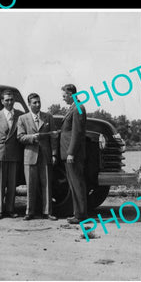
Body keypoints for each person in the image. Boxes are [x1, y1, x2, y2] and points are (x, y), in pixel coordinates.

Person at [17, 93, 58, 220]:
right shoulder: (22, 119)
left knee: (46, 184)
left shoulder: (48, 117)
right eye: (34, 103)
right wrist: (31, 138)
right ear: (29, 104)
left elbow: (53, 136)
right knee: (30, 185)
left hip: (45, 156)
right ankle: (29, 212)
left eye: (39, 102)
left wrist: (54, 154)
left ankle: (47, 212)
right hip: (30, 155)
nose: (37, 104)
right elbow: (20, 137)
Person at [0, 89, 24, 219]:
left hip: (14, 153)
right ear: (2, 101)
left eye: (11, 100)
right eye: (7, 100)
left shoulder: (21, 115)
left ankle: (10, 209)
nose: (9, 102)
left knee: (12, 183)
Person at [60, 84, 88, 224]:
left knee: (77, 183)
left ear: (71, 94)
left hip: (73, 155)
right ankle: (78, 213)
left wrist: (71, 153)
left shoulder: (78, 108)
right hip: (69, 153)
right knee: (73, 184)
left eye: (64, 95)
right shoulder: (74, 108)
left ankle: (81, 214)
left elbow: (77, 133)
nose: (63, 98)